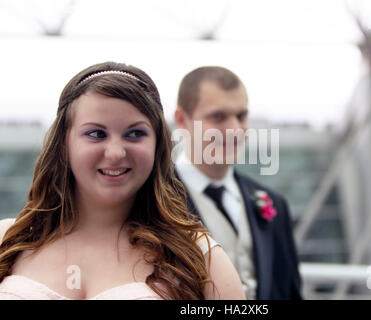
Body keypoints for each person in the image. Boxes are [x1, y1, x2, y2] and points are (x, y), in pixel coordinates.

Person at [0, 62, 245, 300]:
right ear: (64, 143)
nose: (116, 153)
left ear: (158, 145)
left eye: (135, 134)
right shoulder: (7, 241)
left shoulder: (201, 257)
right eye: (96, 134)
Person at [173, 66, 302, 300]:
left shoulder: (274, 203)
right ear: (182, 120)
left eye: (241, 116)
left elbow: (290, 292)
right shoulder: (152, 200)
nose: (234, 129)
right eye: (218, 116)